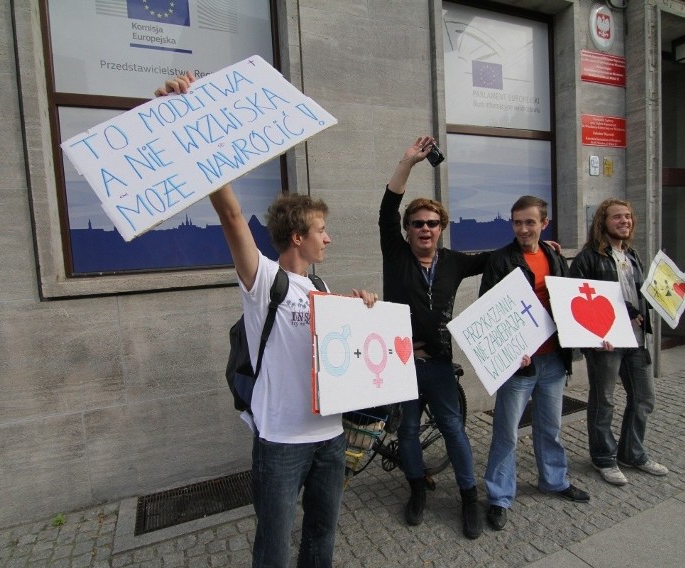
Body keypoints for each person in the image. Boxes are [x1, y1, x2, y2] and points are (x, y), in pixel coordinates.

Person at [157, 74, 378, 568]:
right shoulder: (264, 280)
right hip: (281, 441)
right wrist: (189, 119)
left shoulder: (320, 288)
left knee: (322, 536)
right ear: (298, 236)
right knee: (274, 547)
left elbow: (346, 354)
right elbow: (233, 217)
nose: (330, 239)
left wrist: (362, 308)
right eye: (323, 231)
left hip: (330, 435)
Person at [379, 136, 489, 540]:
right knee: (407, 432)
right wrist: (407, 162)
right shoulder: (396, 255)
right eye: (417, 223)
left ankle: (468, 498)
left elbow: (498, 261)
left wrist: (533, 245)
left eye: (432, 223)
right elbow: (387, 208)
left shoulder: (454, 263)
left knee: (454, 430)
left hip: (440, 365)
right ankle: (417, 489)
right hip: (403, 363)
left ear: (441, 228)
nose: (424, 229)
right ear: (407, 231)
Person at [478, 196, 590, 531]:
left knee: (550, 427)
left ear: (544, 223)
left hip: (554, 359)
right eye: (517, 222)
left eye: (530, 222)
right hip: (519, 365)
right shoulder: (500, 260)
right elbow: (490, 312)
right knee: (507, 434)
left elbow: (570, 303)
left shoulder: (555, 255)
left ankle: (553, 480)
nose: (523, 228)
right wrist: (510, 349)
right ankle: (499, 496)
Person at [569, 198, 685, 486]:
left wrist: (677, 294)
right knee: (604, 400)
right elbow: (579, 300)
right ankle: (604, 458)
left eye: (628, 217)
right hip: (606, 343)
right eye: (617, 217)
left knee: (644, 399)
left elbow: (643, 295)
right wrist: (595, 336)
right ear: (603, 222)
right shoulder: (588, 258)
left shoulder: (633, 254)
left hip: (637, 341)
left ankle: (632, 453)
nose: (624, 221)